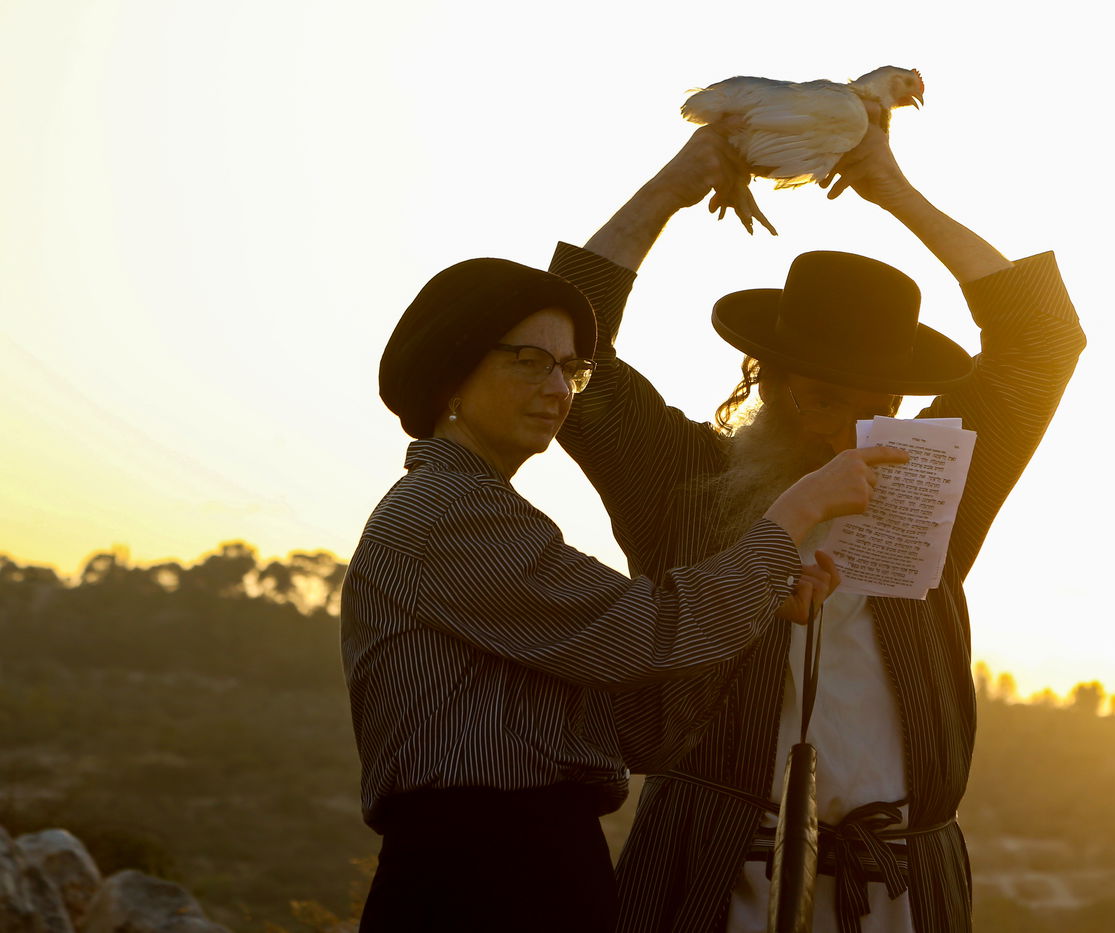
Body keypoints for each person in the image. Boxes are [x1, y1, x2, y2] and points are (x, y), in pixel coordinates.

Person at [548, 122, 1087, 932]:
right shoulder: (685, 484)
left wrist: (890, 186)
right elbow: (575, 350)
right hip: (713, 878)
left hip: (901, 886)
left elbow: (1042, 339)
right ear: (765, 378)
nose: (848, 436)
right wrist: (678, 181)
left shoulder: (931, 481)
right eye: (824, 399)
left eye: (879, 408)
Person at [339, 257, 907, 932]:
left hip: (540, 866)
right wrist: (792, 515)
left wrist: (762, 600)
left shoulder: (492, 512)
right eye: (529, 360)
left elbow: (634, 722)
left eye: (570, 368)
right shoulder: (446, 513)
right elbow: (645, 631)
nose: (558, 388)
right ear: (450, 374)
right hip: (476, 876)